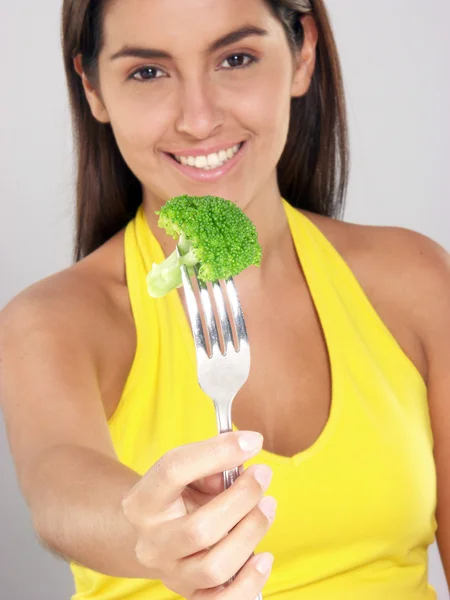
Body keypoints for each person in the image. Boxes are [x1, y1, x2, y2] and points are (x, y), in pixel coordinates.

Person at [0, 0, 449, 598]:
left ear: (302, 52)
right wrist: (150, 529)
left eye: (235, 58)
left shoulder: (414, 279)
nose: (198, 118)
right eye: (148, 72)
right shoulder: (53, 323)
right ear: (94, 88)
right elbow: (59, 485)